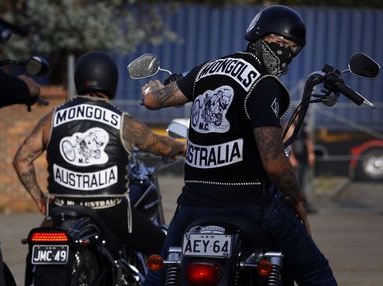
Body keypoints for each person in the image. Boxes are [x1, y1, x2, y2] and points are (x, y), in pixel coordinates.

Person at [141, 5, 337, 286]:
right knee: (315, 272)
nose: (285, 52)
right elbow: (273, 163)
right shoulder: (265, 85)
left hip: (194, 202)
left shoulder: (204, 70)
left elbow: (153, 100)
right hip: (249, 202)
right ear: (257, 37)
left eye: (292, 48)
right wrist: (298, 197)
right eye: (278, 43)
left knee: (159, 275)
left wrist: (150, 87)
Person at [13, 51, 186, 257]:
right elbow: (161, 146)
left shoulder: (53, 118)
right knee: (165, 250)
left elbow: (21, 159)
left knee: (39, 248)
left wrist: (40, 199)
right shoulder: (123, 122)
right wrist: (182, 147)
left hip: (62, 209)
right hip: (111, 210)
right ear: (111, 81)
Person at [290, 122, 317, 213]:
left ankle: (305, 205)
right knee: (296, 184)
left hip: (304, 159)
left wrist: (311, 154)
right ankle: (296, 206)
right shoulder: (291, 126)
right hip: (296, 160)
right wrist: (292, 157)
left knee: (305, 184)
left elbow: (308, 140)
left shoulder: (305, 125)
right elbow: (288, 142)